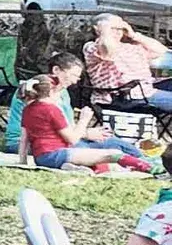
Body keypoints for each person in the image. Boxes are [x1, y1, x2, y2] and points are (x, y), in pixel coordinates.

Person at [22, 73, 155, 174]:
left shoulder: (28, 109)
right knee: (113, 153)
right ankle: (152, 169)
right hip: (57, 154)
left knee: (97, 161)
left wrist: (22, 161)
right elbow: (72, 139)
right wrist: (83, 120)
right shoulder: (52, 110)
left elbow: (24, 139)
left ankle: (70, 166)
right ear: (51, 92)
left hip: (41, 157)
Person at [86, 15, 172, 113]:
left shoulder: (129, 47)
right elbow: (107, 50)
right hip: (123, 97)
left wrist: (134, 35)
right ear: (99, 29)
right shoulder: (92, 47)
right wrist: (104, 32)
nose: (118, 32)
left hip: (146, 88)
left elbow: (161, 51)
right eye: (113, 28)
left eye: (121, 29)